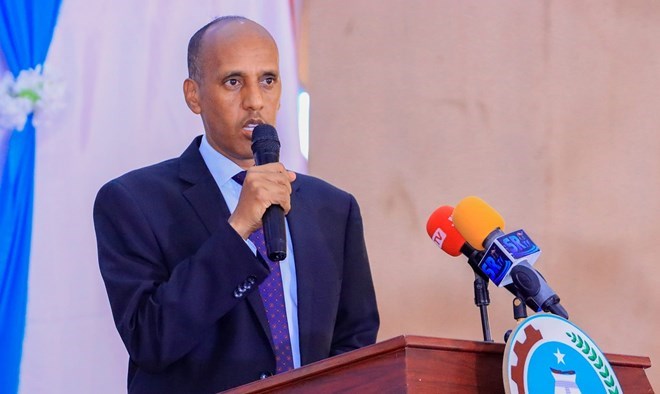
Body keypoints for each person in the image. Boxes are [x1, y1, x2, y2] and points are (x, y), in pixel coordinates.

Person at [93, 16, 379, 393]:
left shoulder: (332, 207)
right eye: (233, 81)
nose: (255, 101)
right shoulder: (133, 201)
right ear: (193, 95)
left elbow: (355, 340)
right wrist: (238, 228)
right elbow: (150, 340)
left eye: (268, 80)